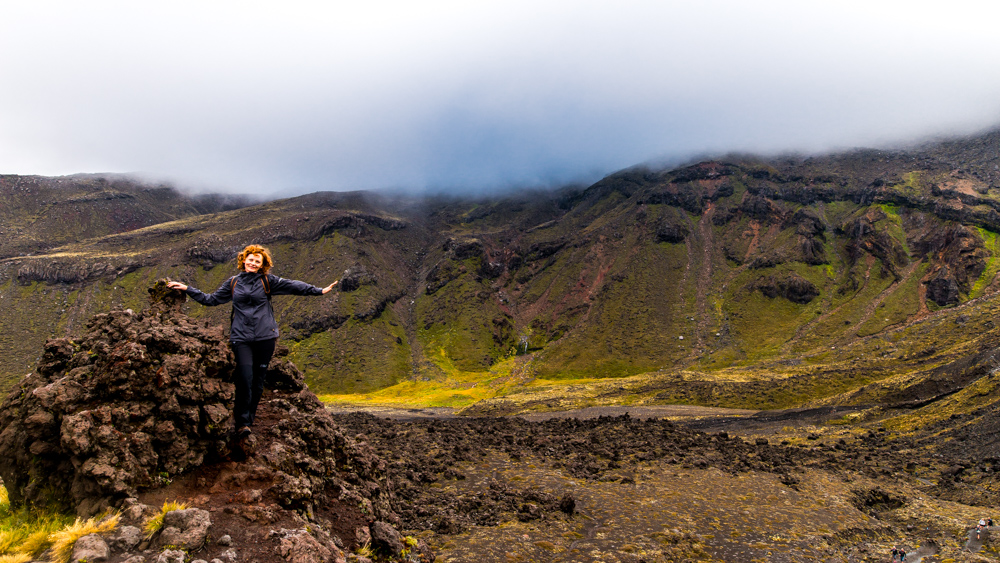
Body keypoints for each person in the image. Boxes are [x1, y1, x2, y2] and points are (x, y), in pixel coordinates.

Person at [167, 244, 337, 439]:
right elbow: (211, 299)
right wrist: (188, 289)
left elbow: (293, 286)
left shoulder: (268, 281)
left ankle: (249, 421)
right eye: (251, 260)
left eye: (258, 261)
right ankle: (242, 422)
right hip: (241, 338)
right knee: (245, 378)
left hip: (266, 337)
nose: (254, 263)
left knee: (257, 382)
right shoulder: (233, 283)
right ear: (244, 260)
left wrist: (318, 291)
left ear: (262, 265)